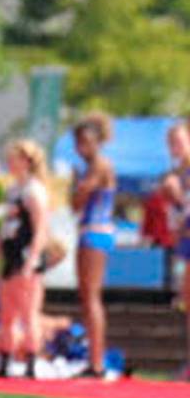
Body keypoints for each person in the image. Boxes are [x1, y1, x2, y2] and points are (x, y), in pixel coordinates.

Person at [0, 140, 50, 378]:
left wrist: (31, 261)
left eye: (14, 158)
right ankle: (5, 359)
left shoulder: (35, 191)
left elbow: (41, 229)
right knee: (6, 312)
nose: (10, 163)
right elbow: (4, 227)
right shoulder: (13, 190)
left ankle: (31, 362)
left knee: (28, 311)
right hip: (11, 255)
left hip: (26, 258)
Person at [71, 113, 116, 379]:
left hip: (96, 232)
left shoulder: (100, 165)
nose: (82, 148)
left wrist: (78, 186)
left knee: (91, 296)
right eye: (79, 143)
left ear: (97, 142)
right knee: (86, 297)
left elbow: (78, 198)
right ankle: (93, 359)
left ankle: (97, 363)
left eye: (86, 142)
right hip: (88, 231)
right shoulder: (88, 167)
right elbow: (75, 204)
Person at [166, 123, 190, 380]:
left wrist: (180, 197)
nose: (175, 147)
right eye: (171, 142)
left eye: (179, 141)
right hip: (184, 245)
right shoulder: (176, 175)